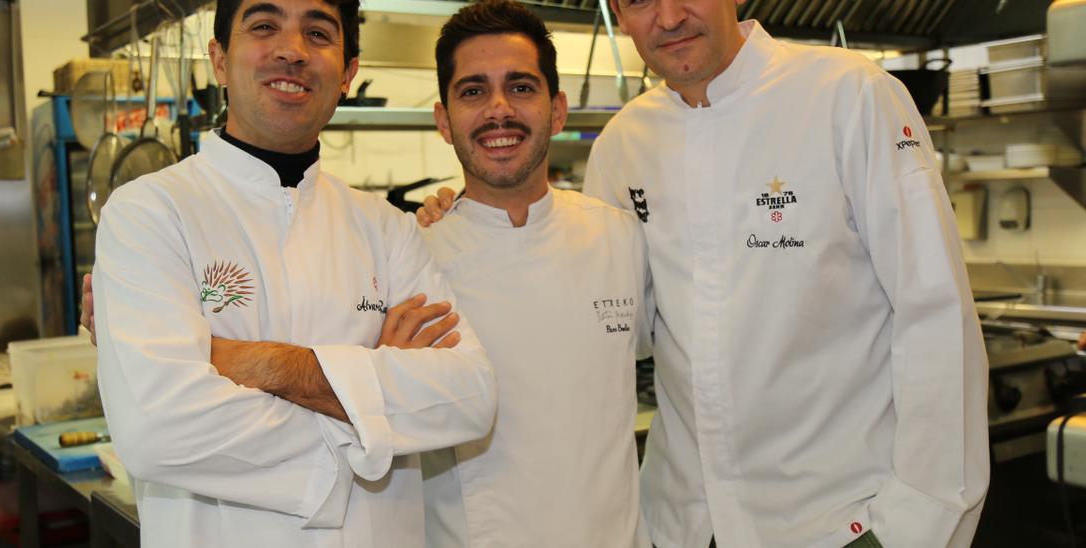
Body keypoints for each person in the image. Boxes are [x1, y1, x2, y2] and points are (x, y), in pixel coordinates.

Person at [422, 1, 990, 546]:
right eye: (640, 0)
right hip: (681, 525)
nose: (668, 18)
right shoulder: (624, 144)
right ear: (619, 15)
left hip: (837, 524)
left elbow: (935, 313)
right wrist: (475, 228)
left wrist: (915, 522)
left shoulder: (848, 95)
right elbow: (618, 318)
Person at [91, 0, 497, 545]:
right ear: (219, 59)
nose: (291, 50)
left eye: (318, 32)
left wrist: (255, 362)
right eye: (264, 26)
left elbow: (468, 398)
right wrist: (373, 405)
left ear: (348, 72)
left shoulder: (387, 228)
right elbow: (157, 430)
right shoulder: (149, 212)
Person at [417, 2, 650, 546]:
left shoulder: (621, 239)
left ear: (558, 110)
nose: (499, 110)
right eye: (473, 91)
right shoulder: (411, 257)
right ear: (444, 121)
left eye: (520, 87)